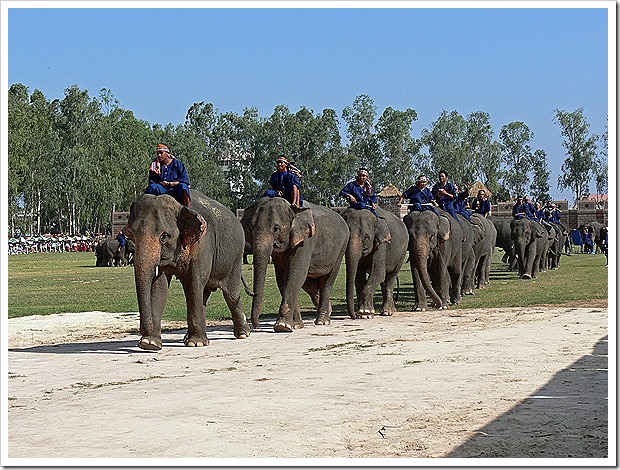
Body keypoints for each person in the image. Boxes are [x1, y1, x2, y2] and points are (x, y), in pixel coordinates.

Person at [145, 144, 191, 208]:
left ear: (167, 153)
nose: (159, 155)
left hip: (175, 189)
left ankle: (187, 209)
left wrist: (173, 183)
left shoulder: (178, 164)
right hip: (162, 189)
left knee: (183, 186)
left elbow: (185, 180)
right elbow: (152, 181)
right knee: (152, 187)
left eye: (161, 153)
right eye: (157, 153)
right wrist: (162, 184)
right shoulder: (155, 166)